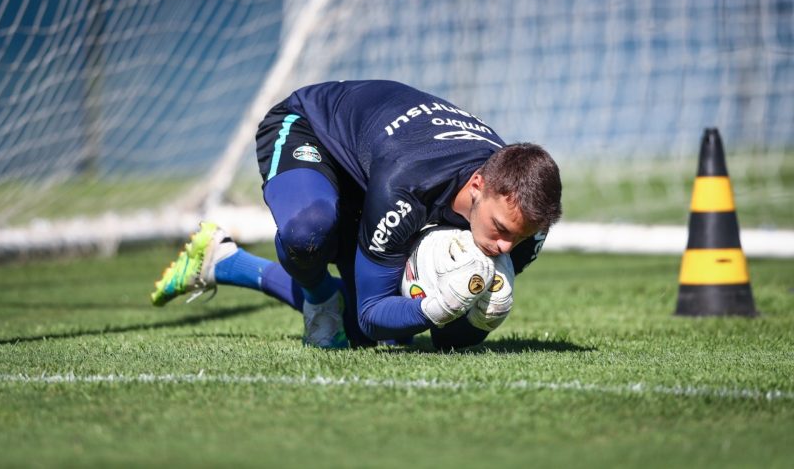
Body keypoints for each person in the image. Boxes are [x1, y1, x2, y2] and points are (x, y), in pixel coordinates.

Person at [150, 80, 562, 350]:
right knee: (308, 233)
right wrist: (430, 308)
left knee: (358, 336)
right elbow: (374, 312)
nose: (505, 247)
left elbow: (446, 340)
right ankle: (317, 296)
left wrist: (479, 320)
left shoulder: (524, 224)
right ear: (477, 186)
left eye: (520, 239)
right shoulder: (408, 186)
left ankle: (222, 260)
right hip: (312, 130)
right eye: (500, 230)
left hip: (375, 164)